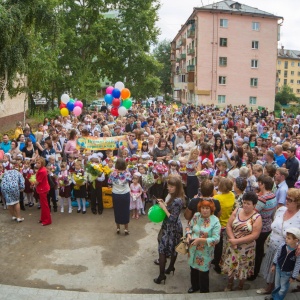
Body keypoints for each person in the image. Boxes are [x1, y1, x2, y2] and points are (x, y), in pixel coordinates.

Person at [257, 188, 300, 295]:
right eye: (287, 198)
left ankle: (277, 292)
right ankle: (270, 287)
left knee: (281, 272)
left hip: (287, 249)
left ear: (298, 202)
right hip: (272, 245)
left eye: (290, 200)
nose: (287, 201)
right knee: (270, 269)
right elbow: (274, 223)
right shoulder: (280, 210)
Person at [221, 191, 262, 291]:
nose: (245, 205)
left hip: (246, 249)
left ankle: (240, 285)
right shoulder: (238, 210)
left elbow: (255, 235)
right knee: (231, 264)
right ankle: (229, 284)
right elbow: (229, 225)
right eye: (244, 202)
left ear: (254, 205)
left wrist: (237, 241)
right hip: (232, 244)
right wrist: (233, 240)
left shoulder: (257, 217)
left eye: (248, 203)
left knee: (243, 267)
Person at [186, 198, 221, 293]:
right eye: (203, 208)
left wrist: (200, 240)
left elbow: (216, 239)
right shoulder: (196, 216)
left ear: (211, 209)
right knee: (193, 269)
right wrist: (188, 235)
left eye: (207, 208)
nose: (204, 210)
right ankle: (195, 286)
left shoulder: (215, 221)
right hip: (193, 249)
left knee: (203, 273)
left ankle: (204, 291)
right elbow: (189, 226)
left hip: (205, 252)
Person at [154, 176, 184, 285]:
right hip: (170, 226)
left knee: (162, 250)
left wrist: (164, 208)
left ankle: (162, 275)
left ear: (177, 187)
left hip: (171, 228)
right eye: (168, 186)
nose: (169, 188)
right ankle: (171, 267)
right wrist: (164, 203)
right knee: (173, 249)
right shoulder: (174, 196)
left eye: (171, 187)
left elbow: (172, 218)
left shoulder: (178, 200)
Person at [249, 175, 277, 281]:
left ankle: (254, 272)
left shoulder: (263, 199)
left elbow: (254, 212)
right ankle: (256, 270)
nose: (259, 185)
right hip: (267, 226)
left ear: (263, 185)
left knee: (257, 250)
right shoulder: (272, 195)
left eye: (260, 183)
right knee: (260, 249)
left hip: (260, 227)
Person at [265, 228, 300, 300]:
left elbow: (297, 264)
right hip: (278, 268)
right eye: (286, 237)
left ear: (296, 240)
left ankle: (278, 298)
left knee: (283, 287)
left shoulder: (297, 252)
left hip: (287, 272)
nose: (286, 239)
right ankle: (274, 296)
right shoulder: (283, 245)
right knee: (277, 284)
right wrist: (274, 264)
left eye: (289, 238)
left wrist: (293, 276)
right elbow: (277, 254)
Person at [212, 177, 235, 274]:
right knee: (223, 245)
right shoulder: (232, 195)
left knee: (218, 246)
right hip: (229, 223)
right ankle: (220, 261)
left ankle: (217, 264)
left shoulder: (217, 198)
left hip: (220, 223)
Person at [108, 158, 132, 235]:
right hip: (125, 194)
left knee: (117, 211)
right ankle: (126, 229)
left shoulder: (112, 173)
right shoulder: (127, 173)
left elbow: (109, 183)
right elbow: (129, 180)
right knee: (125, 211)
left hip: (115, 194)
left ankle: (118, 228)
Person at [34, 157, 51, 226]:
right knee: (43, 205)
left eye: (39, 163)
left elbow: (37, 182)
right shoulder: (42, 169)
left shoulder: (42, 171)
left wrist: (31, 180)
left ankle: (47, 220)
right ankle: (43, 218)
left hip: (42, 189)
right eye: (36, 162)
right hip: (43, 188)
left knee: (45, 205)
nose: (37, 164)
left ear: (42, 163)